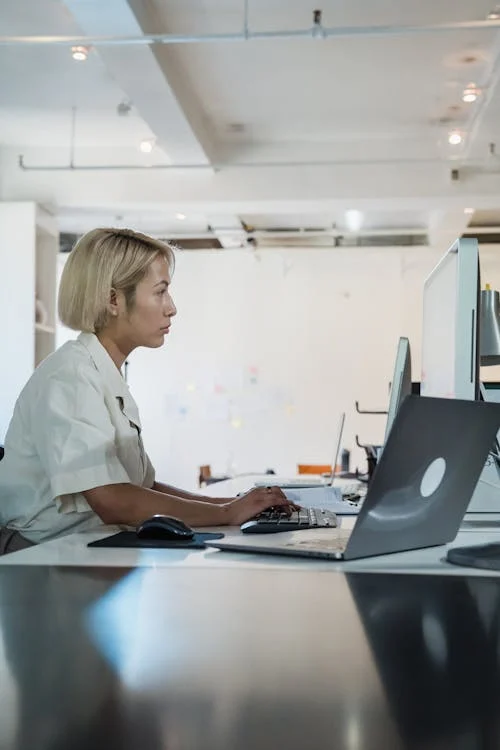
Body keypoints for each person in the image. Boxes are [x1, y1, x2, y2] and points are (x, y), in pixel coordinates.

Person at [0, 228, 293, 553]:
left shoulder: (103, 372)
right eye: (160, 292)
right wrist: (225, 513)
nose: (171, 308)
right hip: (36, 555)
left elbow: (143, 487)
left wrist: (231, 504)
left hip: (86, 547)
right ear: (113, 300)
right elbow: (112, 500)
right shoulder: (70, 376)